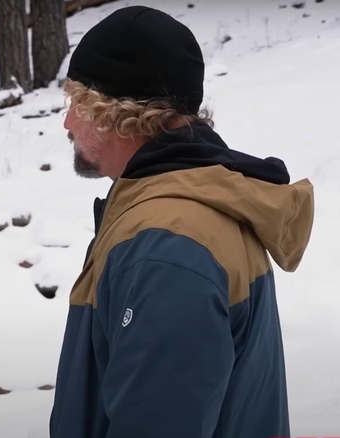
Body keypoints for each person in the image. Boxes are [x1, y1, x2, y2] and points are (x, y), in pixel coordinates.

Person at [50, 6, 314, 438]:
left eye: (78, 103)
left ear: (118, 111)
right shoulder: (191, 203)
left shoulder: (167, 249)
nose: (67, 122)